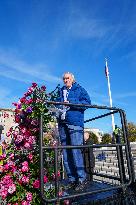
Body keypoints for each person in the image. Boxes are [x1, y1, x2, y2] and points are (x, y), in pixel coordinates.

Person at [56, 72, 91, 192]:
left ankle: (82, 179)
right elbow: (56, 104)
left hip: (75, 123)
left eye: (67, 78)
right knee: (66, 153)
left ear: (72, 79)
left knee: (76, 151)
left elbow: (87, 103)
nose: (65, 80)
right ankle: (72, 179)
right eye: (64, 79)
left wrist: (71, 102)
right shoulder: (61, 91)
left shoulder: (79, 89)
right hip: (62, 123)